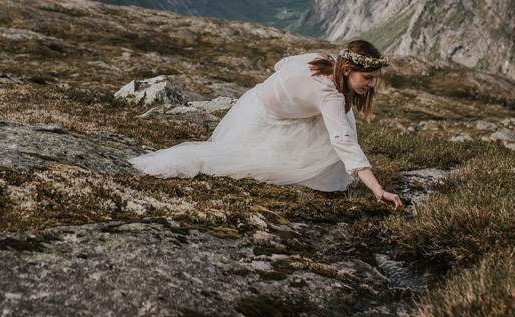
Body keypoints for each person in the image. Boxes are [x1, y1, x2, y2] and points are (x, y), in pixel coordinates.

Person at [129, 39, 403, 209]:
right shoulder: (328, 96)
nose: (372, 84)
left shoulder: (321, 59)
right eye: (368, 78)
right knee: (338, 127)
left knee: (340, 115)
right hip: (267, 118)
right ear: (347, 70)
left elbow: (280, 64)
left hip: (254, 101)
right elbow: (343, 141)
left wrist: (291, 94)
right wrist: (377, 189)